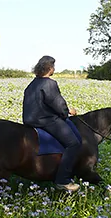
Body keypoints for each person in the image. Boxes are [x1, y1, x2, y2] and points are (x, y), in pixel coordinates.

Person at [23, 55, 81, 192]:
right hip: (46, 121)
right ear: (49, 68)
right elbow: (58, 104)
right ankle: (63, 180)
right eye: (53, 66)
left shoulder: (31, 84)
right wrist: (67, 112)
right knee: (73, 144)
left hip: (29, 120)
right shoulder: (49, 83)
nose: (54, 69)